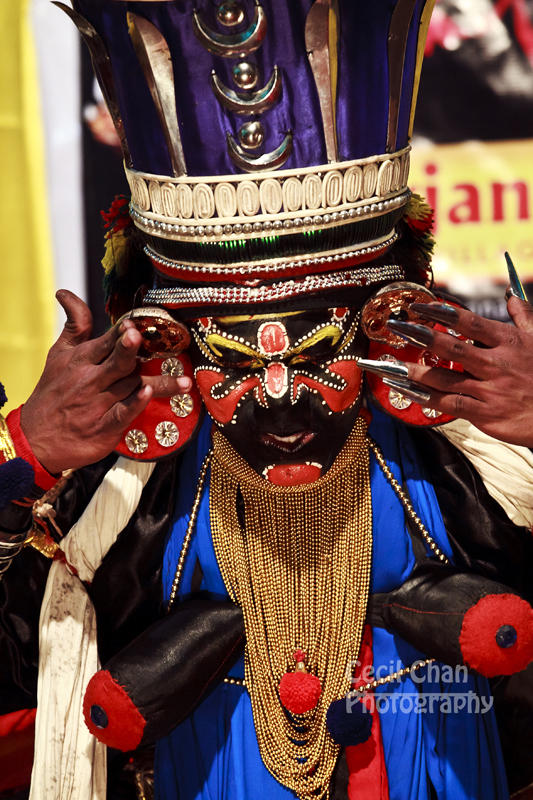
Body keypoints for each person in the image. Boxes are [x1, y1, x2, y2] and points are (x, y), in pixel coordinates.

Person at [1, 1, 533, 799]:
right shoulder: (125, 498)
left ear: (379, 329)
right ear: (171, 343)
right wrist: (26, 460)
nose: (280, 406)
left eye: (320, 357)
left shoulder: (469, 463)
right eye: (236, 365)